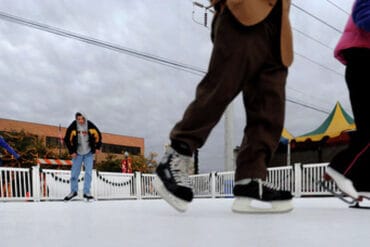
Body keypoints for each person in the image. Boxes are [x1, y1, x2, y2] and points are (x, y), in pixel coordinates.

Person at [153, 0, 294, 213]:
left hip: (280, 27)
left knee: (270, 109)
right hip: (244, 11)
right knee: (220, 87)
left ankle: (250, 178)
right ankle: (176, 154)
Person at [325, 0, 370, 201]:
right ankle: (340, 168)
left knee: (366, 131)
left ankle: (362, 183)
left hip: (362, 62)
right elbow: (364, 17)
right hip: (363, 61)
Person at [63, 112, 102, 201]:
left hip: (88, 153)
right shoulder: (73, 125)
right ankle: (73, 191)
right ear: (76, 119)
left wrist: (97, 147)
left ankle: (86, 192)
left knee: (88, 173)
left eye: (82, 119)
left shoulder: (90, 125)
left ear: (85, 118)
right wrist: (72, 151)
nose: (80, 121)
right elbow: (67, 139)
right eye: (78, 119)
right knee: (74, 174)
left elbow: (98, 135)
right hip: (77, 153)